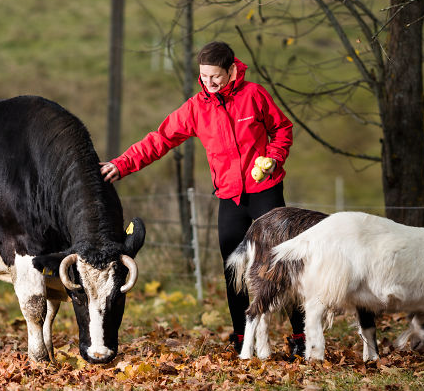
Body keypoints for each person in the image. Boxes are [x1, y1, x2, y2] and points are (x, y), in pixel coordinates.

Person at [100, 41, 305, 358]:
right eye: (204, 77)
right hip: (230, 197)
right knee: (233, 269)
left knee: (280, 264)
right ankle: (242, 338)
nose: (209, 84)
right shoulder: (197, 107)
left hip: (265, 190)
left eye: (216, 78)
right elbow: (160, 139)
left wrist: (274, 159)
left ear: (232, 70)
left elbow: (282, 129)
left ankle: (301, 336)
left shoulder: (254, 96)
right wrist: (122, 163)